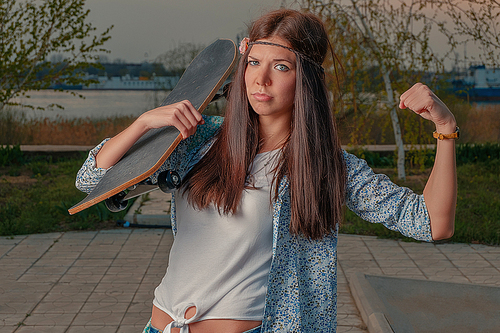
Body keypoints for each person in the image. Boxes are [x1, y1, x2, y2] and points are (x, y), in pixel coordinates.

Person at [76, 8, 457, 333]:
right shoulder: (199, 139)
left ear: (304, 78)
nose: (261, 79)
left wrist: (445, 129)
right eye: (253, 63)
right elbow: (90, 181)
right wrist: (144, 123)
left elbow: (432, 223)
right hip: (160, 324)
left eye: (280, 66)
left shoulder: (325, 165)